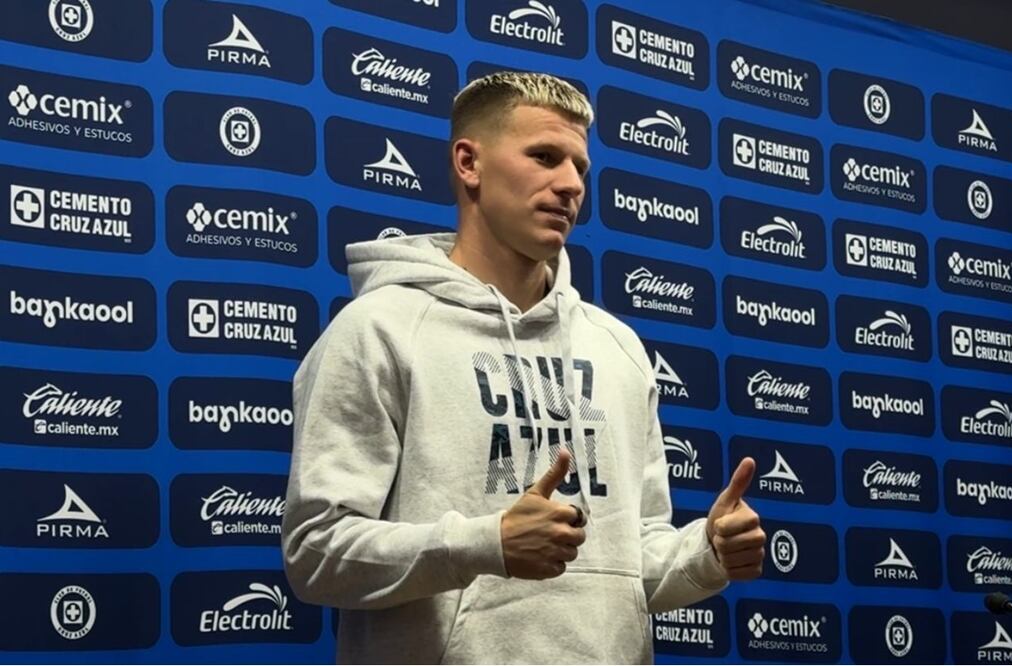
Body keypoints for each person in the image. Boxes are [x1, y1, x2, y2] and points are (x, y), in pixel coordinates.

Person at [282, 71, 765, 664]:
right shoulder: (379, 330)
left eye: (580, 168)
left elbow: (628, 562)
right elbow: (317, 552)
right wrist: (484, 544)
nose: (569, 185)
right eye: (544, 157)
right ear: (469, 164)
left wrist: (707, 552)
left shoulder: (617, 348)